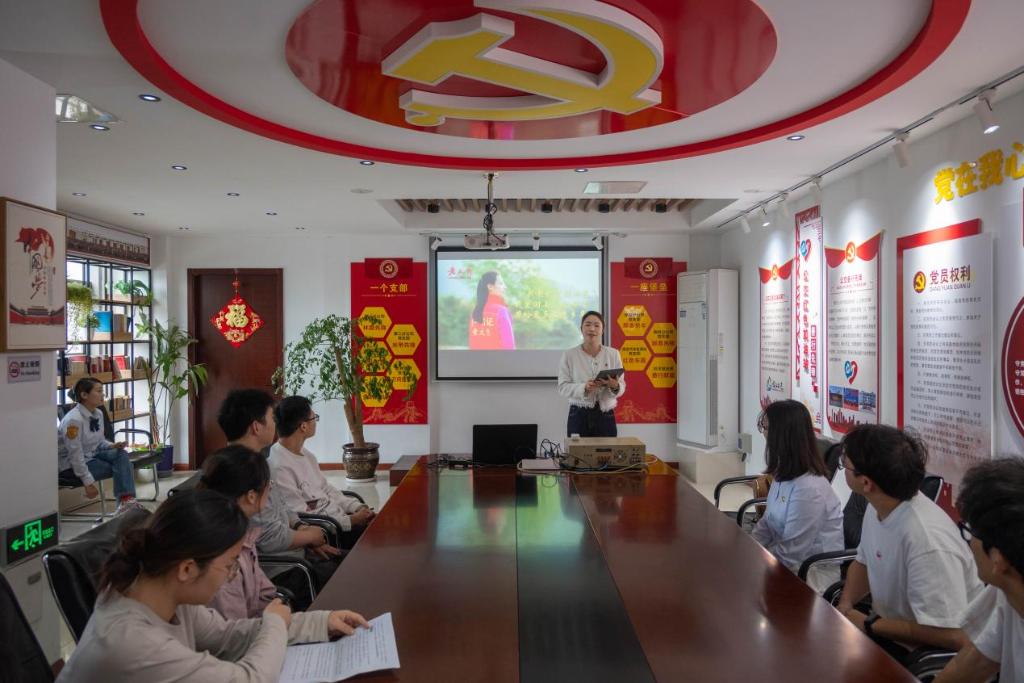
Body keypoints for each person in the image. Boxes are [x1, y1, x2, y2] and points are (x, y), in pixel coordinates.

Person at [56, 489, 369, 682]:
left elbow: (229, 636)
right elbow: (249, 679)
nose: (233, 574)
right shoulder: (132, 644)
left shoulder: (164, 593)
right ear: (188, 568)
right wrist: (274, 623)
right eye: (231, 564)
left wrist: (321, 622)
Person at [835, 424, 984, 662]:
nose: (843, 466)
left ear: (866, 483)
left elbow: (952, 635)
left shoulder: (927, 539)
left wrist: (870, 624)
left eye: (846, 463)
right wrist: (845, 606)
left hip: (924, 659)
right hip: (885, 635)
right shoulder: (879, 506)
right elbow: (863, 562)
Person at [217, 389, 343, 593]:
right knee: (354, 577)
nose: (276, 424)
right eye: (271, 418)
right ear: (256, 427)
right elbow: (268, 538)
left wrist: (301, 526)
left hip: (295, 554)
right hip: (279, 570)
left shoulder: (257, 462)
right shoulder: (240, 473)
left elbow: (282, 505)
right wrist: (309, 537)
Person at [935, 458, 1024, 682]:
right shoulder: (1009, 591)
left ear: (997, 559)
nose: (969, 542)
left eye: (970, 530)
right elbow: (976, 662)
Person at [749, 400, 843, 588]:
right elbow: (767, 522)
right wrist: (748, 547)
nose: (764, 434)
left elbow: (791, 553)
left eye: (765, 428)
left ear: (781, 435)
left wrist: (753, 565)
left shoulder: (810, 489)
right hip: (784, 563)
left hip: (810, 575)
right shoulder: (784, 472)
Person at [269, 396, 375, 550]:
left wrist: (356, 507)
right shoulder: (279, 466)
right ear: (303, 426)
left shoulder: (307, 455)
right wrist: (351, 521)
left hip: (339, 519)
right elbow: (300, 516)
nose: (316, 422)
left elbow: (326, 488)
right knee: (377, 541)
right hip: (327, 532)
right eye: (314, 418)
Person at [197, 445, 278, 619]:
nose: (270, 490)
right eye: (269, 486)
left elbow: (265, 593)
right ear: (251, 496)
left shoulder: (243, 533)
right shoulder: (222, 551)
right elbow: (233, 627)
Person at [57, 377, 144, 515]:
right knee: (122, 466)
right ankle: (126, 502)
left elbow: (99, 441)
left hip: (93, 455)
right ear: (84, 395)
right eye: (99, 391)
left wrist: (113, 445)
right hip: (71, 465)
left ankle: (126, 500)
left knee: (121, 454)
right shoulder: (73, 420)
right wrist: (88, 483)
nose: (103, 394)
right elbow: (75, 455)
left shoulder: (98, 413)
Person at [557, 311, 625, 437]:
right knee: (577, 450)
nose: (592, 329)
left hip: (606, 415)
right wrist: (584, 387)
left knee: (607, 449)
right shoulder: (569, 355)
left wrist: (615, 386)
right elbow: (562, 387)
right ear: (581, 329)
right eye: (587, 324)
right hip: (578, 414)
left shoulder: (613, 354)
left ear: (602, 330)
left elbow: (621, 386)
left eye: (597, 325)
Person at [468, 271, 515, 350]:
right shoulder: (501, 311)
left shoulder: (475, 311)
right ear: (490, 286)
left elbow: (472, 344)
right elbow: (508, 346)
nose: (505, 287)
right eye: (501, 283)